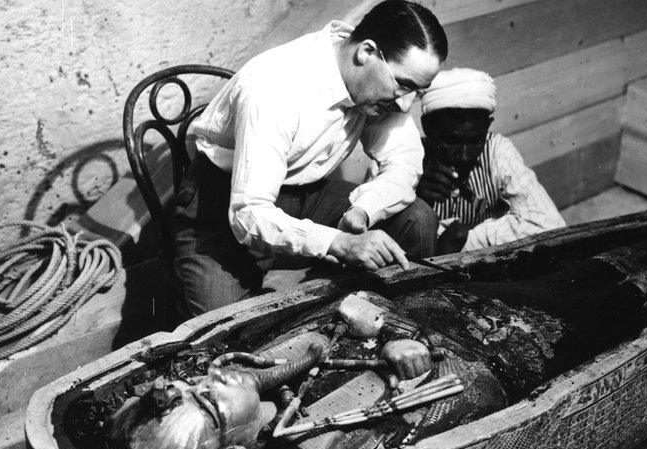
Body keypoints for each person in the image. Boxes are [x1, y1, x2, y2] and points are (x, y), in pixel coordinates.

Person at [173, 0, 447, 317]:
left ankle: (403, 324)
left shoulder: (377, 83)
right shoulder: (275, 87)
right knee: (229, 333)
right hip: (221, 211)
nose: (405, 104)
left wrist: (364, 209)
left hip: (307, 196)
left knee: (416, 218)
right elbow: (250, 215)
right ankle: (321, 310)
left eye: (419, 91)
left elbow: (404, 162)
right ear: (366, 52)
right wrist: (339, 243)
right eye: (404, 85)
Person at [415, 68, 566, 254]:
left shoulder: (497, 149)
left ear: (487, 126)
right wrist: (416, 203)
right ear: (427, 128)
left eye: (475, 140)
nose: (464, 156)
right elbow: (378, 240)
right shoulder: (407, 156)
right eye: (451, 141)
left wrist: (469, 238)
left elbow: (550, 226)